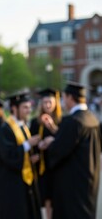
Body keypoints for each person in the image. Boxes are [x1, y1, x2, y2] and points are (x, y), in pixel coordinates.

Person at [39, 82, 101, 219]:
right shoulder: (93, 119)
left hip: (72, 184)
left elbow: (58, 151)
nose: (63, 101)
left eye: (64, 97)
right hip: (89, 180)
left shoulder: (73, 121)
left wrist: (51, 144)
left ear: (70, 98)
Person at [0, 92, 42, 219]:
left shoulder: (23, 126)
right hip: (11, 183)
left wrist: (30, 158)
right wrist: (27, 144)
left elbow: (21, 153)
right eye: (25, 107)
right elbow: (8, 156)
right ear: (14, 109)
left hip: (24, 180)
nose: (29, 110)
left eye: (29, 107)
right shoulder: (5, 129)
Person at [30, 88, 62, 219]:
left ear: (55, 103)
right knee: (46, 195)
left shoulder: (61, 120)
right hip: (42, 164)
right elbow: (31, 140)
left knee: (57, 194)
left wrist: (52, 127)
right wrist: (38, 146)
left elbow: (64, 139)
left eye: (50, 102)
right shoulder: (35, 122)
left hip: (56, 164)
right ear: (41, 104)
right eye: (45, 102)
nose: (47, 105)